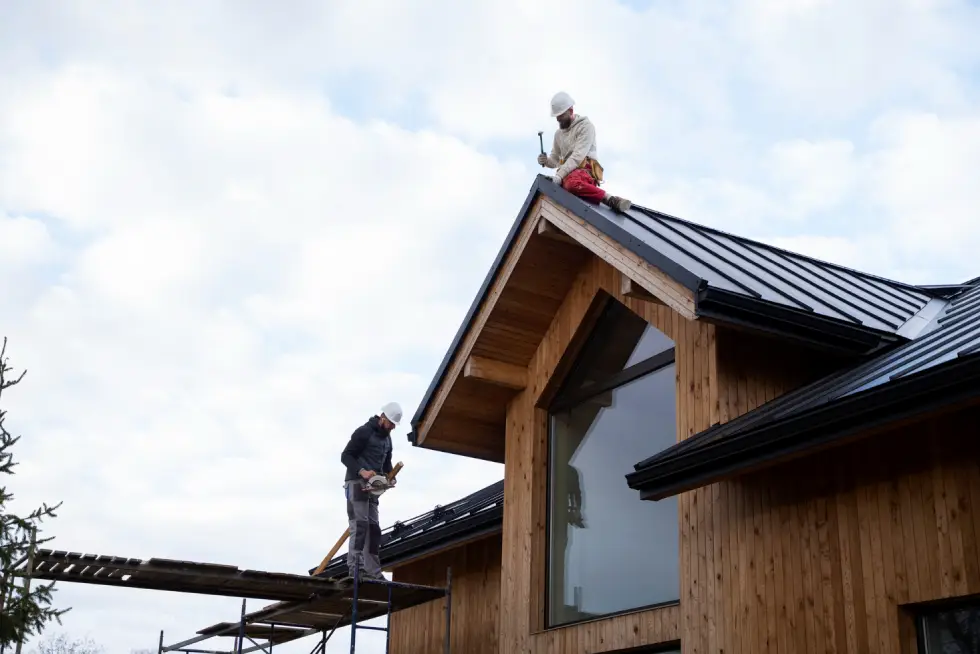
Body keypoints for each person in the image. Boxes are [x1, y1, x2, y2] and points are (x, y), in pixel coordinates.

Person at [537, 91, 632, 213]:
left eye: (561, 116)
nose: (559, 120)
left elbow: (578, 156)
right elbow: (555, 159)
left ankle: (610, 199)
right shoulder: (558, 134)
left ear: (571, 111)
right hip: (566, 173)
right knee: (551, 190)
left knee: (571, 184)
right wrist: (546, 161)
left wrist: (559, 176)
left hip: (583, 170)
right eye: (557, 118)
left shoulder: (585, 127)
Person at [340, 401, 402, 582]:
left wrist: (390, 476)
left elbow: (386, 463)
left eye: (393, 425)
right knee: (360, 525)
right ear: (382, 418)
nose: (392, 427)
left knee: (374, 528)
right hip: (356, 483)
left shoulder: (387, 439)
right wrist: (362, 471)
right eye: (390, 423)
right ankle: (356, 569)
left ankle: (373, 571)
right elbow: (346, 456)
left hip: (373, 488)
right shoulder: (363, 432)